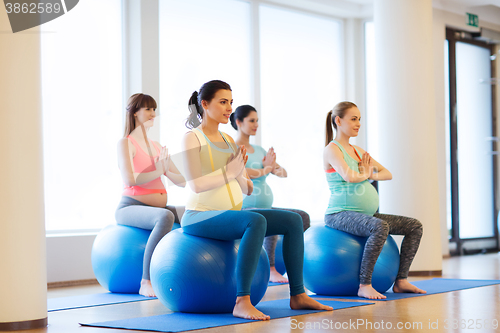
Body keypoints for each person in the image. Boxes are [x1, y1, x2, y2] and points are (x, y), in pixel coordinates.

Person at [181, 80, 332, 320]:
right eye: (222, 102)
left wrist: (246, 174)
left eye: (231, 102)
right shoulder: (192, 138)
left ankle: (298, 295)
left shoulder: (229, 141)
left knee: (293, 220)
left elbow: (247, 189)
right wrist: (231, 172)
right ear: (205, 104)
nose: (229, 107)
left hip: (230, 214)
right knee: (254, 221)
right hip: (199, 216)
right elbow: (196, 184)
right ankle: (242, 301)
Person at [323, 101, 426, 300]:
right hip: (339, 214)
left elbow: (387, 173)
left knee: (414, 226)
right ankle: (364, 284)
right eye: (353, 119)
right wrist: (366, 173)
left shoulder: (359, 151)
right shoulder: (332, 150)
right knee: (380, 227)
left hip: (366, 214)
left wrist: (369, 174)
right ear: (338, 120)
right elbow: (349, 176)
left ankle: (401, 280)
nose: (358, 123)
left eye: (359, 119)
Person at [230, 105, 310, 283]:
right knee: (268, 217)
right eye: (252, 120)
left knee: (302, 217)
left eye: (257, 120)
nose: (256, 124)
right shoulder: (233, 147)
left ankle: (296, 269)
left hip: (265, 204)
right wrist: (266, 168)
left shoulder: (259, 150)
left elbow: (283, 173)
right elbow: (243, 172)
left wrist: (273, 166)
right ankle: (272, 268)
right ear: (238, 122)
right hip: (245, 206)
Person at [116, 93, 186, 297]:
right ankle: (146, 280)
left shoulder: (157, 146)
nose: (153, 113)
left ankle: (178, 274)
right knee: (165, 216)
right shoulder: (126, 143)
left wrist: (165, 169)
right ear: (135, 112)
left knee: (188, 214)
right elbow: (130, 179)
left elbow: (181, 181)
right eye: (148, 109)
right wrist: (159, 169)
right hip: (129, 207)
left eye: (154, 109)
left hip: (157, 207)